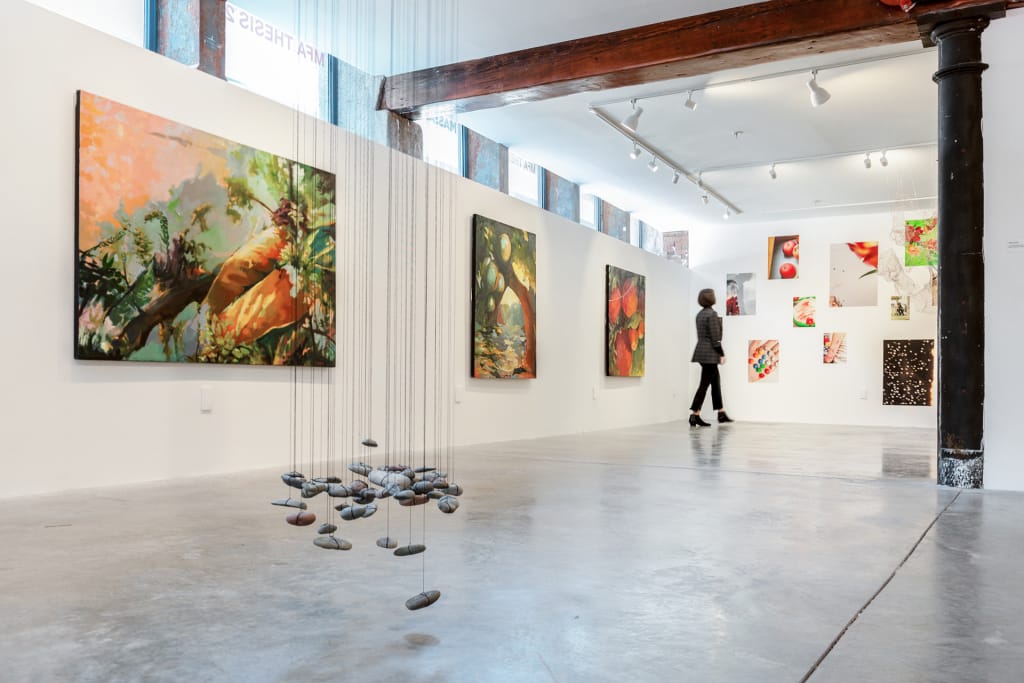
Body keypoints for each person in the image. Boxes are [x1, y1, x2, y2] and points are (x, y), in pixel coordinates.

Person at [689, 288, 732, 426]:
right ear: (711, 299)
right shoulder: (712, 314)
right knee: (704, 384)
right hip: (710, 354)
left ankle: (721, 412)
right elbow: (715, 338)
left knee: (715, 382)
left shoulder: (699, 315)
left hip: (701, 352)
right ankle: (694, 414)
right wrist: (721, 353)